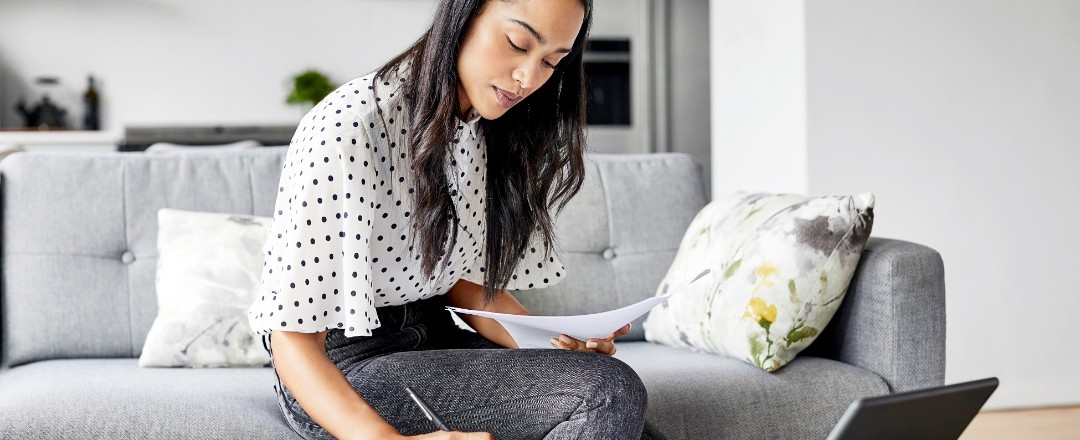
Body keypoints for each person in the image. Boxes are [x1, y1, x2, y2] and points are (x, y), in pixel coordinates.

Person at [248, 0, 662, 438]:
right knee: (606, 392)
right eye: (517, 43)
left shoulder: (484, 124)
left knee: (617, 407)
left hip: (433, 335)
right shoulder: (350, 126)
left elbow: (462, 284)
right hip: (341, 366)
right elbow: (292, 338)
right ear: (464, 16)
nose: (529, 79)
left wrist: (558, 344)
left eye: (551, 62)